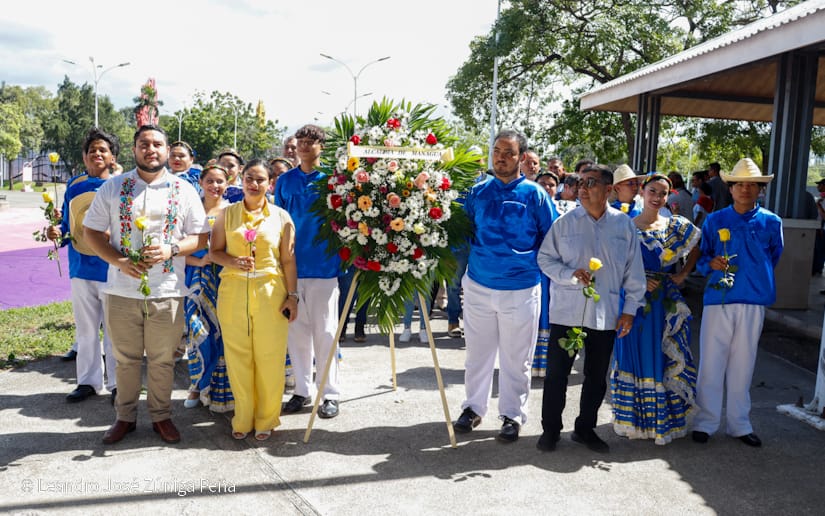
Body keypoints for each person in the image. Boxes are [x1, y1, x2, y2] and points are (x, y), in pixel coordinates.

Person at [84, 124, 209, 445]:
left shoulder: (184, 190)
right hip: (121, 290)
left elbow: (201, 236)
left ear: (167, 152)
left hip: (167, 290)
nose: (150, 149)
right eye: (144, 144)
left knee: (162, 358)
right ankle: (124, 417)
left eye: (157, 144)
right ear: (134, 149)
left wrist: (172, 249)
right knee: (124, 359)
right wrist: (120, 261)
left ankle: (161, 416)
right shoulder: (113, 187)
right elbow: (92, 232)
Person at [452, 129, 555, 443]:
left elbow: (550, 239)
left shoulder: (536, 195)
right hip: (479, 285)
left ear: (522, 157)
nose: (501, 157)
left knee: (515, 358)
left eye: (509, 152)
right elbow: (464, 233)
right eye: (497, 150)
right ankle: (473, 408)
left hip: (521, 289)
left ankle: (512, 415)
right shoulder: (477, 192)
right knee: (477, 355)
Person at [536, 164, 646, 453]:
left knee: (596, 377)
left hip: (606, 313)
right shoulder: (564, 223)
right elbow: (545, 259)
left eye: (591, 183)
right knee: (557, 375)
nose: (583, 189)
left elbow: (634, 272)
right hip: (568, 312)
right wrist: (570, 274)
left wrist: (630, 309)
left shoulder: (624, 226)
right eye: (581, 183)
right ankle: (551, 429)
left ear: (608, 190)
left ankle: (585, 428)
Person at [692, 158, 783, 448]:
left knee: (744, 364)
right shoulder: (716, 220)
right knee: (711, 362)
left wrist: (758, 277)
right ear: (731, 189)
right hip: (719, 298)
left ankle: (739, 424)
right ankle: (705, 422)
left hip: (754, 299)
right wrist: (712, 265)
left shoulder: (772, 221)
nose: (745, 189)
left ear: (760, 190)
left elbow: (775, 256)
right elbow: (702, 256)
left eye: (752, 185)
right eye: (740, 184)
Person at [210, 159, 298, 440]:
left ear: (270, 183)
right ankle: (243, 416)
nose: (254, 183)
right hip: (233, 292)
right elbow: (214, 252)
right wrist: (234, 261)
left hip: (271, 293)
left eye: (260, 179)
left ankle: (267, 418)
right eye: (249, 177)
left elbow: (288, 260)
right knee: (238, 357)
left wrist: (293, 296)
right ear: (242, 180)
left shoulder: (281, 217)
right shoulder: (227, 214)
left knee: (270, 357)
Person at [611, 173, 701, 445]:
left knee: (658, 355)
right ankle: (633, 420)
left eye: (662, 193)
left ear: (668, 196)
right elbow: (613, 263)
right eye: (652, 191)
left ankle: (659, 421)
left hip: (662, 299)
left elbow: (698, 246)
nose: (656, 197)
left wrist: (683, 273)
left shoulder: (674, 226)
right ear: (642, 192)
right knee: (630, 353)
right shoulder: (625, 225)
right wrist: (634, 281)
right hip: (630, 300)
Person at [47, 128, 119, 404]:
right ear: (84, 157)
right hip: (80, 267)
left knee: (114, 330)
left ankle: (116, 384)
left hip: (112, 268)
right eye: (92, 150)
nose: (97, 154)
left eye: (103, 150)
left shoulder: (120, 186)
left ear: (113, 157)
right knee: (86, 329)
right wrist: (57, 233)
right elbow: (69, 227)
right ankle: (88, 382)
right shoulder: (74, 187)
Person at [275, 124, 342, 419]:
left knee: (325, 332)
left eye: (310, 142)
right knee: (296, 331)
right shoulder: (285, 181)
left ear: (321, 147)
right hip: (291, 266)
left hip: (324, 266)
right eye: (300, 141)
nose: (303, 146)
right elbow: (276, 220)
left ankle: (330, 393)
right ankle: (301, 391)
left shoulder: (333, 180)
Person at [183, 163, 233, 412]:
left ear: (228, 183)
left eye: (220, 181)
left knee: (223, 334)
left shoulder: (234, 211)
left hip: (225, 278)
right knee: (198, 332)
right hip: (195, 279)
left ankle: (220, 388)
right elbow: (177, 246)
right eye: (210, 181)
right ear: (200, 182)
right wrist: (199, 260)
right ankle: (196, 384)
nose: (215, 186)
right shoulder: (190, 209)